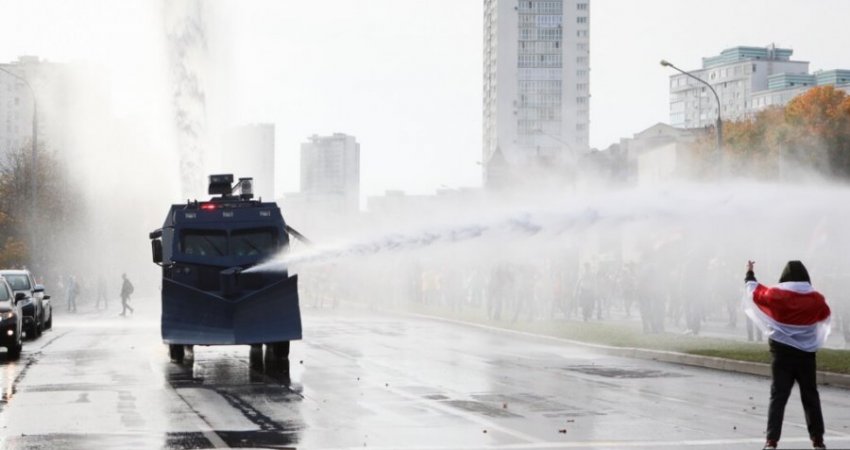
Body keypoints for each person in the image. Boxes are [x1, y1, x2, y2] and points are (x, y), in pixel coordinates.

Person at [743, 260, 831, 450]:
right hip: (806, 356)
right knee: (810, 396)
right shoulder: (816, 298)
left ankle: (771, 441)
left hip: (781, 355)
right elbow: (824, 314)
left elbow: (755, 292)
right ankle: (818, 440)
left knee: (778, 397)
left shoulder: (775, 295)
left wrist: (750, 273)